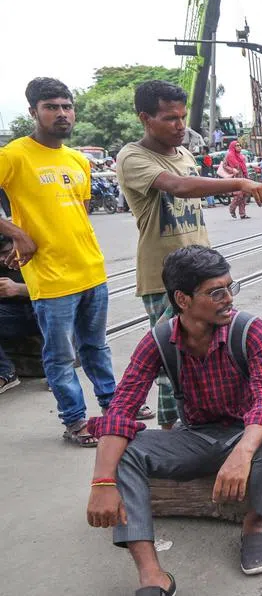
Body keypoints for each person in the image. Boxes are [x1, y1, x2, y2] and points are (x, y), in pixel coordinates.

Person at [85, 246, 262, 596]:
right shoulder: (159, 341)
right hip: (195, 437)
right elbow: (122, 409)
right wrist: (101, 482)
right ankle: (153, 577)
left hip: (246, 433)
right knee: (127, 452)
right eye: (216, 292)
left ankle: (253, 528)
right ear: (182, 299)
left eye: (230, 288)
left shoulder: (249, 330)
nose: (229, 299)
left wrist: (242, 453)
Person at [117, 80, 262, 429]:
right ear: (145, 118)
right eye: (170, 118)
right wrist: (240, 183)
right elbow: (178, 187)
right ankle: (170, 428)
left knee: (211, 349)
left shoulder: (185, 155)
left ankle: (213, 420)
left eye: (182, 117)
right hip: (164, 276)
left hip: (202, 272)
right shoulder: (134, 157)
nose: (180, 126)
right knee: (170, 354)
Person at [0, 77, 153, 445]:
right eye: (52, 107)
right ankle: (74, 421)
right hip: (50, 278)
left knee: (96, 347)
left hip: (90, 270)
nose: (62, 114)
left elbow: (78, 215)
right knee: (60, 356)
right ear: (33, 112)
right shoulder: (14, 155)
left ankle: (113, 406)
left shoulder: (78, 160)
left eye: (67, 106)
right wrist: (16, 234)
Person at [0, 236, 38, 394]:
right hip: (11, 314)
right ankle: (6, 372)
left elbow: (56, 291)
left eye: (6, 252)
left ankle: (60, 373)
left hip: (40, 311)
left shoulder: (33, 258)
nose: (2, 259)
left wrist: (18, 288)